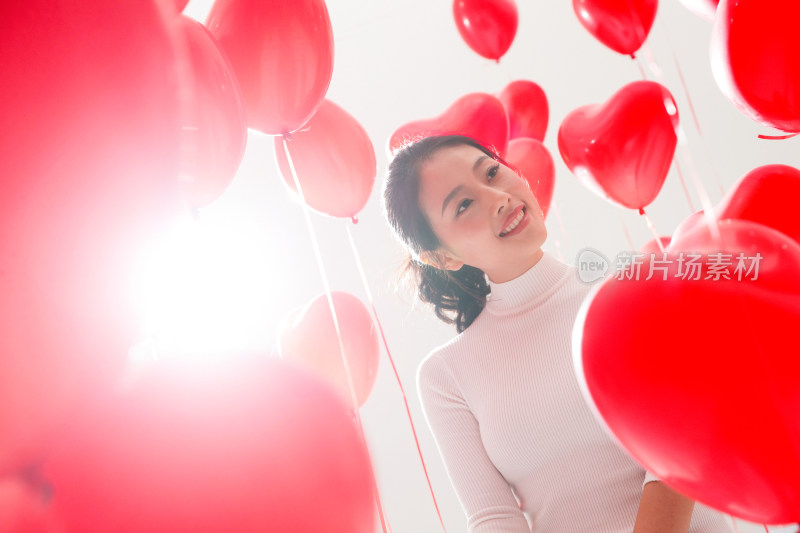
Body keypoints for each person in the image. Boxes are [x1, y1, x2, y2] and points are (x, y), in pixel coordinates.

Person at [382, 134, 734, 533]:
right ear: (442, 257)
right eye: (464, 204)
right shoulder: (446, 375)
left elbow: (682, 437)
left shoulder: (634, 288)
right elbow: (493, 518)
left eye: (493, 173)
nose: (497, 196)